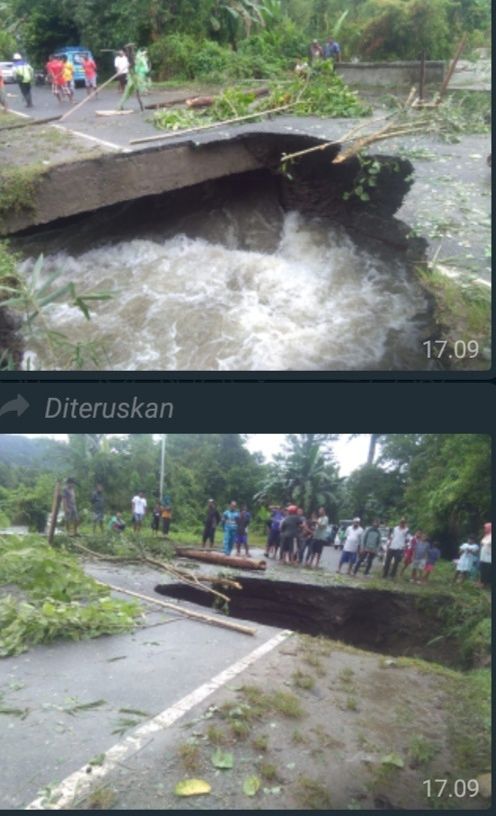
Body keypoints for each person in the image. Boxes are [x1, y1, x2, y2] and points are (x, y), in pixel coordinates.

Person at [478, 522, 491, 587]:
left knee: (486, 571)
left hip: (488, 558)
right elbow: (482, 543)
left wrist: (484, 543)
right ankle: (481, 582)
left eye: (485, 528)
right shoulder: (486, 536)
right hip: (483, 557)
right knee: (482, 570)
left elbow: (488, 543)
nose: (484, 529)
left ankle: (484, 584)